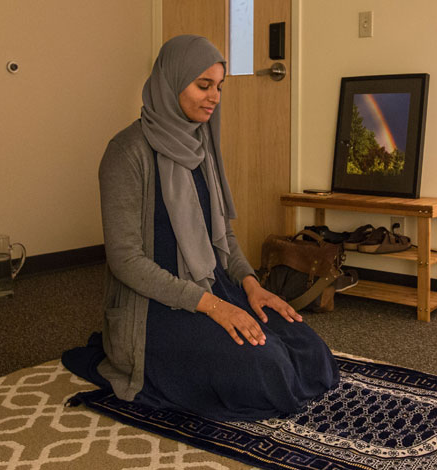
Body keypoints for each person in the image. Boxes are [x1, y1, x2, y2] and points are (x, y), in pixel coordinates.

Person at [63, 35, 340, 421]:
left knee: (312, 355)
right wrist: (214, 308)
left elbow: (222, 236)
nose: (214, 97)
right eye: (203, 85)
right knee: (266, 368)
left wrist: (252, 286)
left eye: (219, 86)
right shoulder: (126, 153)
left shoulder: (201, 146)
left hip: (214, 286)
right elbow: (125, 260)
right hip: (156, 307)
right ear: (171, 82)